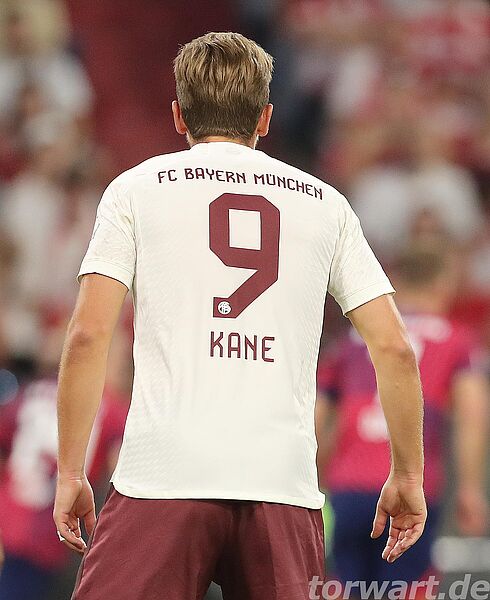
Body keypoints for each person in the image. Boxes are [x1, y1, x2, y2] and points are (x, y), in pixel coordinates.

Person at [54, 32, 426, 600]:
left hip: (163, 475)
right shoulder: (326, 204)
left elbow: (87, 335)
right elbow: (395, 347)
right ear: (266, 118)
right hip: (280, 482)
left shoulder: (135, 189)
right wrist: (407, 474)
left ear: (179, 116)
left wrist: (70, 472)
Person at [316, 241, 489, 598]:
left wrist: (312, 477)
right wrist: (470, 488)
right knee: (408, 589)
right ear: (444, 283)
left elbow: (318, 415)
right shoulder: (455, 341)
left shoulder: (354, 340)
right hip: (412, 488)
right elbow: (472, 415)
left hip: (348, 486)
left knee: (346, 585)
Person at [0, 319, 128, 600]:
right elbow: (123, 469)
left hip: (8, 518)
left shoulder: (31, 390)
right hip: (45, 532)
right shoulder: (112, 408)